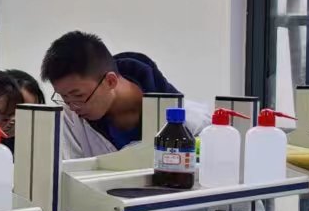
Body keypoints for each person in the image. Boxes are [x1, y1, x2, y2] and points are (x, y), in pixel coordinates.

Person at [39, 31, 205, 159]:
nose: (73, 107)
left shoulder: (193, 123)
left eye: (78, 96)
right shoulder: (71, 119)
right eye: (64, 97)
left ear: (110, 81)